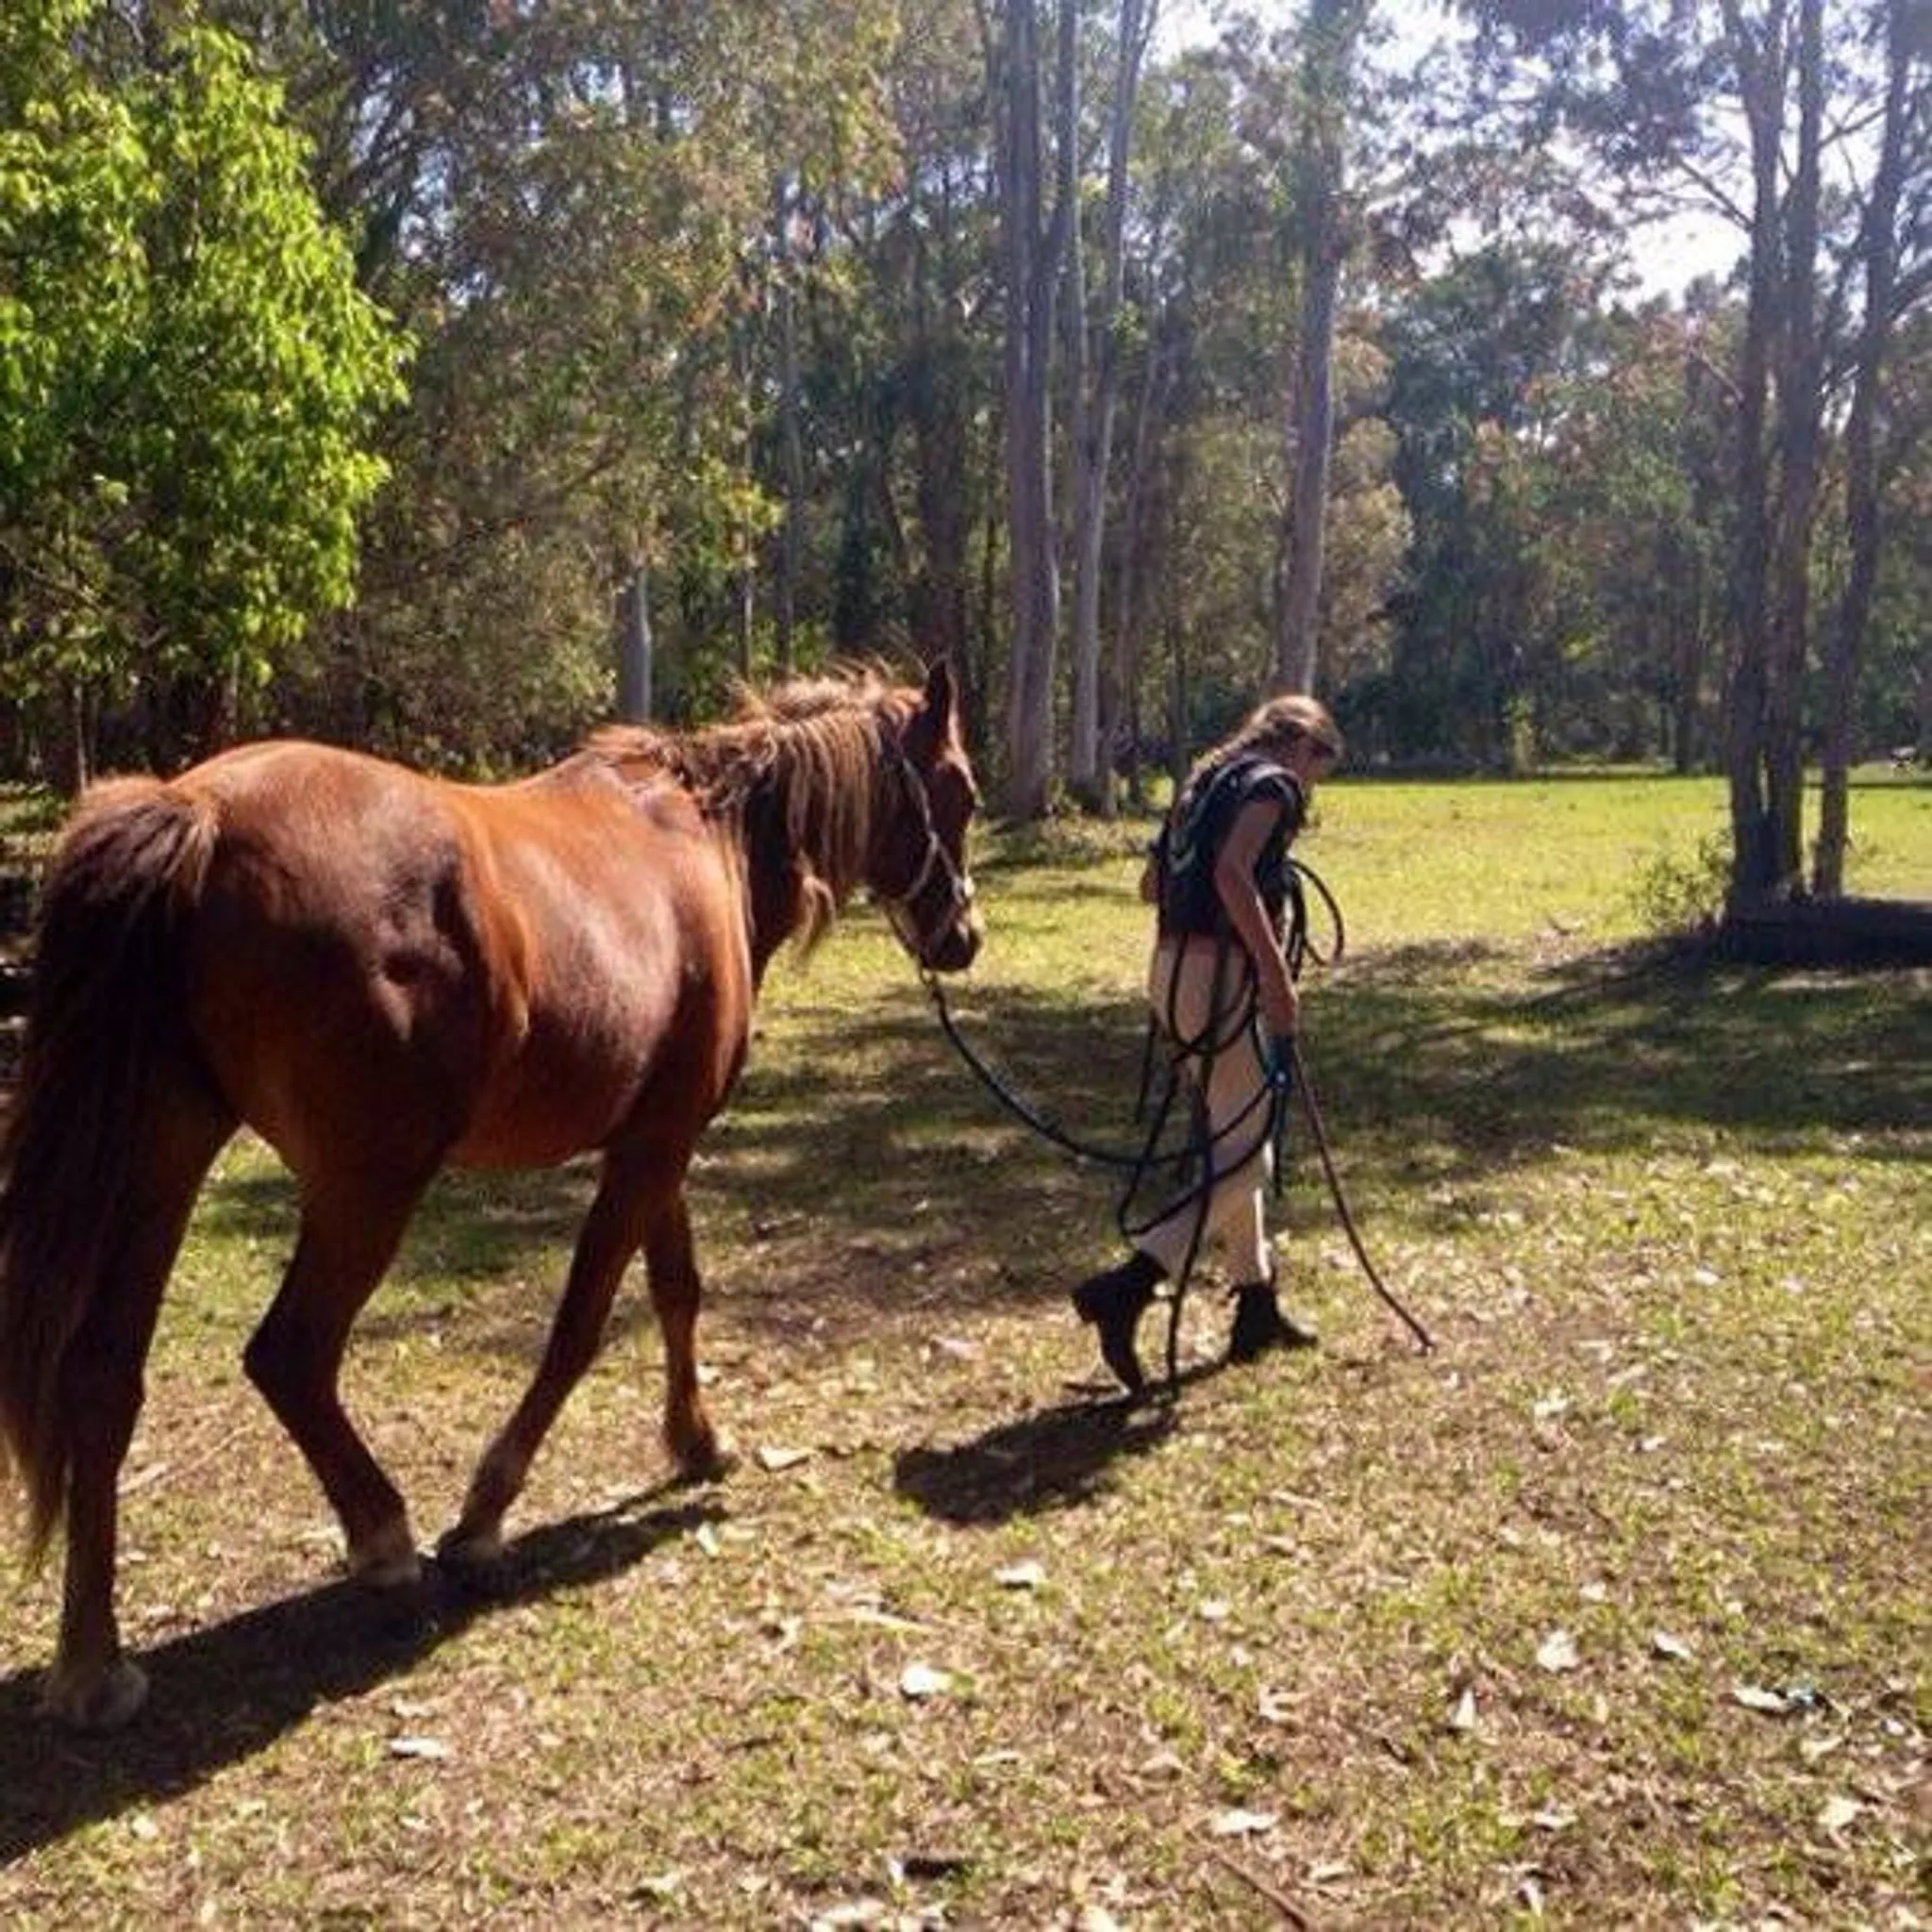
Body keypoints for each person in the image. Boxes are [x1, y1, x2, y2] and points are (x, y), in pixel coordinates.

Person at [1072, 692, 1343, 1394]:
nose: (1311, 786)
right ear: (1301, 746)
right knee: (1249, 1155)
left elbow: (1151, 884)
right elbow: (1230, 875)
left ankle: (1256, 1305)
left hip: (1168, 973)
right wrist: (1276, 978)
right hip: (1213, 979)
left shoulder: (1203, 780)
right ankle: (1130, 1284)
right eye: (1318, 768)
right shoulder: (1271, 786)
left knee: (1233, 1135)